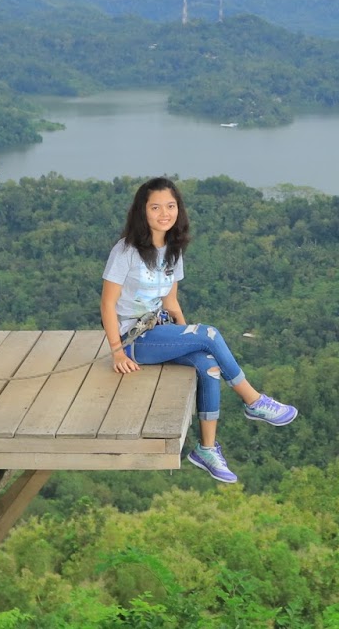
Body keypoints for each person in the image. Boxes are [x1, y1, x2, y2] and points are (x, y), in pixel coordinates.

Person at [101, 177, 297, 483]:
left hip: (160, 333)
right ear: (142, 211)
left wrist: (184, 337)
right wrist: (116, 352)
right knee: (210, 334)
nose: (164, 213)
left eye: (170, 206)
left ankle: (206, 449)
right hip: (132, 340)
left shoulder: (172, 249)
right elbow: (107, 305)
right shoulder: (125, 251)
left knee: (208, 367)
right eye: (155, 207)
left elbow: (171, 300)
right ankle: (253, 400)